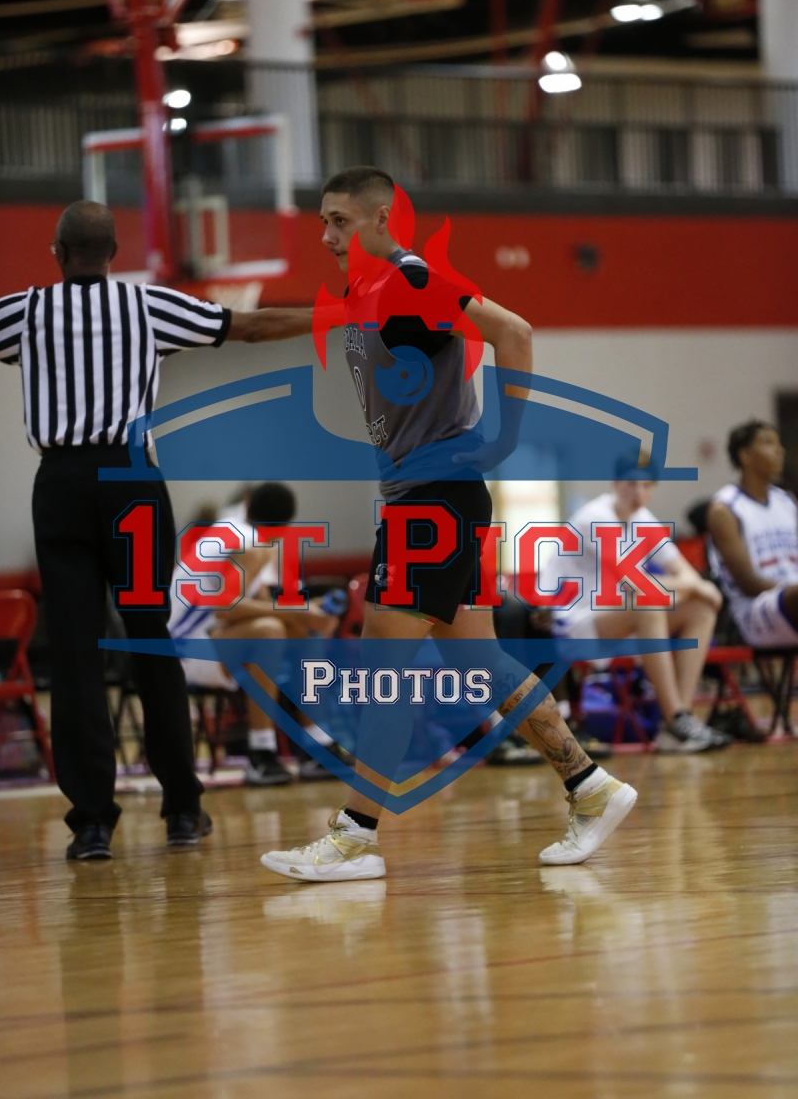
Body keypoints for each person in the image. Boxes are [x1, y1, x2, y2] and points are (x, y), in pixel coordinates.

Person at [260, 166, 638, 882]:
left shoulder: (411, 278)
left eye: (340, 220)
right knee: (478, 663)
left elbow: (513, 332)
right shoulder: (369, 291)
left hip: (432, 501)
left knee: (382, 667)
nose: (327, 235)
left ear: (380, 220)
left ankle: (354, 837)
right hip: (434, 498)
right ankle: (590, 786)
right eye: (323, 221)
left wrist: (503, 440)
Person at [0, 201, 312, 860]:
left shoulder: (25, 310)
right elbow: (252, 327)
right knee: (151, 640)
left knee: (77, 656)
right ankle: (182, 811)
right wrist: (339, 315)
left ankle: (91, 824)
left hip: (61, 486)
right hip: (132, 485)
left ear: (57, 254)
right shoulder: (146, 305)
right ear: (115, 254)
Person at [545, 460, 729, 753]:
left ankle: (678, 722)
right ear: (615, 484)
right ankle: (675, 717)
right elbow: (636, 583)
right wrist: (694, 586)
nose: (638, 492)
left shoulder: (642, 518)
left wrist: (693, 587)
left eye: (646, 485)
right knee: (650, 604)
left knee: (700, 609)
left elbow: (685, 574)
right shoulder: (596, 517)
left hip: (619, 617)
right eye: (631, 484)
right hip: (570, 623)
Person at [169, 482, 343, 785]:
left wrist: (307, 614)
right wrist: (300, 611)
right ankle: (260, 752)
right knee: (269, 631)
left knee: (301, 630)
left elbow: (260, 605)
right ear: (288, 524)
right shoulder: (251, 544)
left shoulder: (240, 533)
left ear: (247, 506)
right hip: (182, 651)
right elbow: (225, 607)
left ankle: (317, 745)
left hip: (204, 641)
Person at [707, 421, 798, 647]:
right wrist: (792, 588)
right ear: (745, 456)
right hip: (754, 610)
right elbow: (748, 584)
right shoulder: (725, 509)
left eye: (778, 443)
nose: (779, 450)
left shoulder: (787, 501)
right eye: (768, 443)